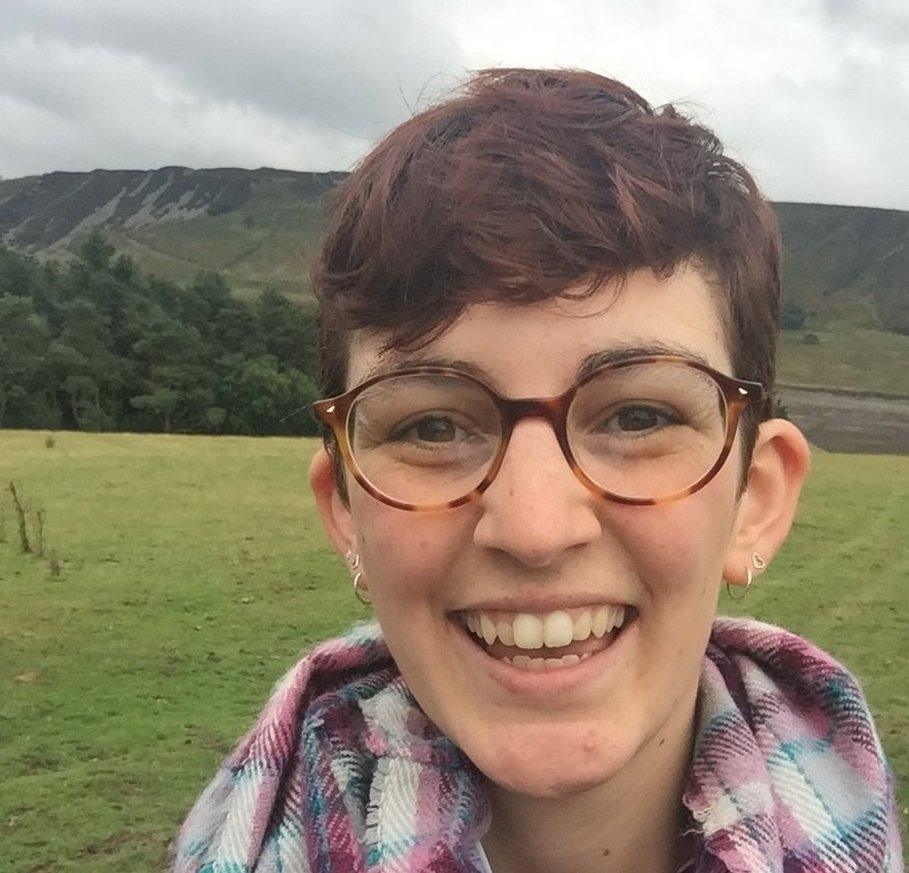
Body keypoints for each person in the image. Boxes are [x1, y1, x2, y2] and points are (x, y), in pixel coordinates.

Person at [172, 68, 903, 872]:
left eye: (638, 416)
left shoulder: (853, 820)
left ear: (755, 498)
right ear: (345, 508)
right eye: (433, 424)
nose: (533, 528)